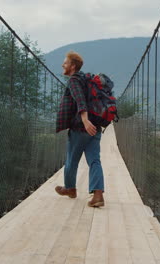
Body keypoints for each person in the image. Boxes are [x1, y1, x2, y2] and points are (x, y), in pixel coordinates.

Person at [55, 51, 105, 207]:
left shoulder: (74, 80)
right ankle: (98, 195)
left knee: (71, 160)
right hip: (95, 127)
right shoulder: (88, 80)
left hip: (81, 127)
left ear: (72, 66)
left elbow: (79, 99)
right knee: (94, 160)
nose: (63, 65)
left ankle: (70, 188)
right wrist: (90, 122)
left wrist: (84, 120)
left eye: (65, 62)